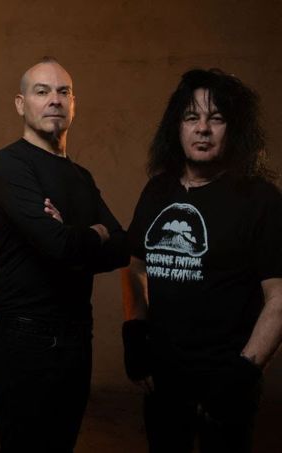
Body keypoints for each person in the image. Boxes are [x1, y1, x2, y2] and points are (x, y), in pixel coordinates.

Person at [122, 69, 282, 453]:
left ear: (234, 128)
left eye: (217, 118)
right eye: (191, 117)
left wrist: (244, 373)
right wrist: (135, 335)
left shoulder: (260, 199)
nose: (203, 129)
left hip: (225, 377)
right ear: (177, 127)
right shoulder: (158, 190)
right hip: (164, 377)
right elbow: (136, 266)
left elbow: (279, 298)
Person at [0, 57, 128, 452]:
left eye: (63, 92)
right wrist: (89, 233)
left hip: (77, 338)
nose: (54, 100)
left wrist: (70, 234)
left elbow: (121, 247)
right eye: (42, 91)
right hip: (26, 340)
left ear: (73, 104)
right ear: (21, 104)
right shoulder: (8, 164)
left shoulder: (81, 176)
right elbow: (59, 246)